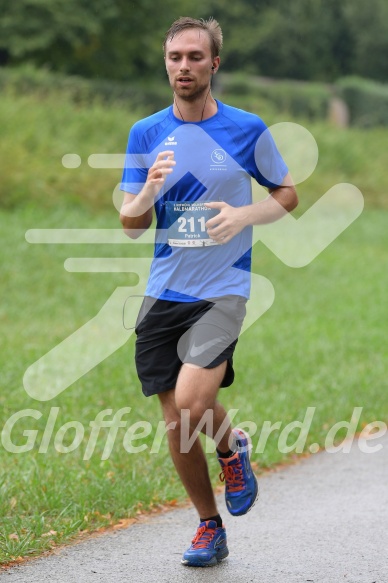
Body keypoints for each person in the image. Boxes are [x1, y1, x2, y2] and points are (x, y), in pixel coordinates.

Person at [120, 16, 298, 568]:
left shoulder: (246, 129)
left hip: (223, 290)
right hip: (164, 292)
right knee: (177, 425)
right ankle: (209, 524)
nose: (184, 67)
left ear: (214, 64)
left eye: (196, 57)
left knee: (195, 404)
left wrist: (245, 212)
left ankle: (228, 448)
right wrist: (149, 186)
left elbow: (287, 195)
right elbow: (130, 224)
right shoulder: (146, 133)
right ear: (166, 63)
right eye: (176, 57)